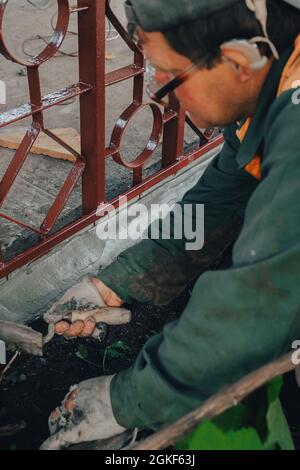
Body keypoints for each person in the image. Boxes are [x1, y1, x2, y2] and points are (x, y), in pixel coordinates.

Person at [41, 0, 300, 450]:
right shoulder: (277, 80)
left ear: (238, 62)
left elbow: (256, 302)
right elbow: (220, 195)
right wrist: (112, 285)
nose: (160, 90)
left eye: (170, 75)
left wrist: (125, 401)